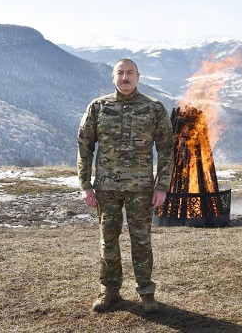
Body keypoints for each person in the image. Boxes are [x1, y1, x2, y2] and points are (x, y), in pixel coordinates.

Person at [77, 58, 174, 313]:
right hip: (106, 188)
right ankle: (109, 291)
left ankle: (146, 293)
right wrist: (85, 184)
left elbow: (166, 149)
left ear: (138, 76)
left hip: (141, 188)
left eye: (130, 73)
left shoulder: (153, 108)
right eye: (120, 73)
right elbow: (84, 146)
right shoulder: (98, 107)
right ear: (113, 77)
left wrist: (162, 186)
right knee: (107, 240)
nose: (125, 77)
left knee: (141, 240)